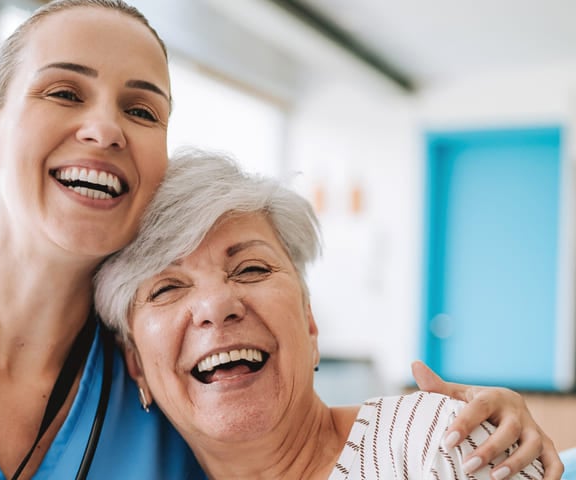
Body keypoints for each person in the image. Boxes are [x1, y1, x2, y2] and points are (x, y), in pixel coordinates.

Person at [0, 1, 562, 478]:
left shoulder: (160, 393)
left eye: (142, 110)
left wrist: (500, 441)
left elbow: (304, 448)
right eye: (63, 91)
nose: (105, 127)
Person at [94, 148, 554, 479]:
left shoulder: (434, 442)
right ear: (136, 362)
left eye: (251, 268)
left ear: (309, 322)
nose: (217, 306)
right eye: (167, 287)